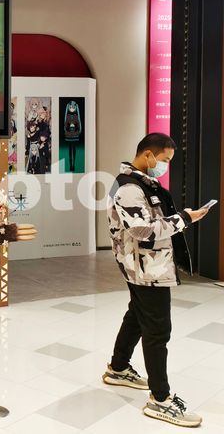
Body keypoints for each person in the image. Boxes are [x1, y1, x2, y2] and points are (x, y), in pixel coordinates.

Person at [104, 133, 208, 427]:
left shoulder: (141, 183)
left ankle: (118, 367)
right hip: (145, 269)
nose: (165, 166)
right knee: (158, 330)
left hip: (146, 265)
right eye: (164, 160)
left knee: (137, 316)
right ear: (147, 155)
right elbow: (141, 230)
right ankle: (160, 399)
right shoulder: (128, 188)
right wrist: (184, 218)